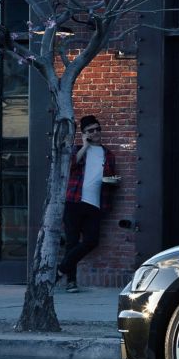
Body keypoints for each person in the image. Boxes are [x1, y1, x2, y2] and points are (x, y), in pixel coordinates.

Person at [57, 114, 119, 292]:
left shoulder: (108, 155)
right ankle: (71, 282)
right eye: (91, 131)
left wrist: (112, 181)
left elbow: (110, 178)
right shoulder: (77, 150)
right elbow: (69, 167)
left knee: (92, 241)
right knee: (72, 242)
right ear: (84, 134)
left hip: (95, 205)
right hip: (74, 202)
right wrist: (84, 146)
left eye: (98, 129)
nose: (96, 132)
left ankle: (61, 269)